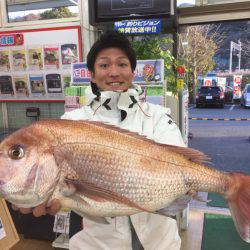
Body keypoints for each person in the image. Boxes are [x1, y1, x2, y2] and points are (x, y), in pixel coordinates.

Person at [13, 30, 185, 249]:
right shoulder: (72, 122)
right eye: (104, 65)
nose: (114, 72)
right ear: (92, 75)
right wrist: (43, 196)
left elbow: (180, 161)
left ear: (133, 72)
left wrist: (185, 184)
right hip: (96, 244)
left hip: (159, 241)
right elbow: (65, 194)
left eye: (122, 65)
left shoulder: (158, 116)